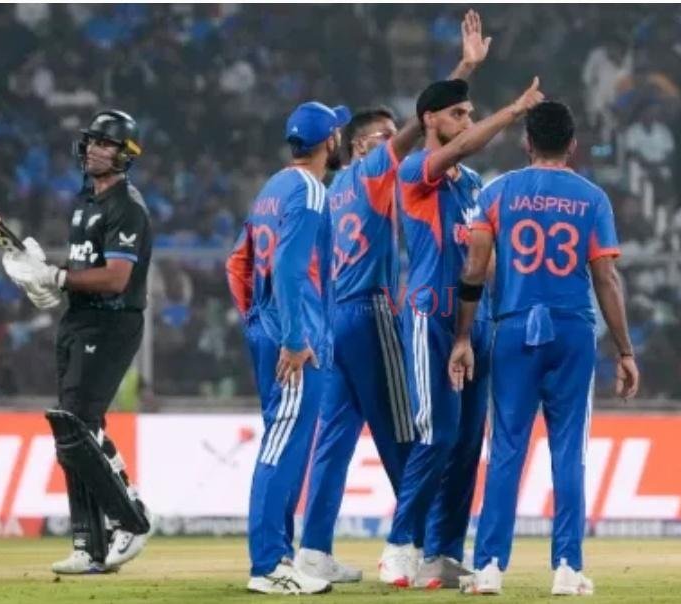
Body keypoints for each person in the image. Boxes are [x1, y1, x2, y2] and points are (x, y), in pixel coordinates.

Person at [296, 10, 492, 584]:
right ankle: (418, 546)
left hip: (334, 319)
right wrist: (464, 69)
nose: (395, 144)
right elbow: (425, 120)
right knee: (411, 433)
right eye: (384, 138)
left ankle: (313, 551)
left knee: (334, 440)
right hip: (374, 311)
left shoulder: (331, 190)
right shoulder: (375, 171)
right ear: (362, 147)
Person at [446, 101, 639, 596]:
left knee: (506, 450)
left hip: (513, 329)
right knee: (569, 452)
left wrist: (463, 336)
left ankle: (489, 568)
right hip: (572, 331)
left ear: (527, 141)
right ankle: (568, 570)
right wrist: (624, 351)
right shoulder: (593, 198)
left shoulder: (497, 192)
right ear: (572, 145)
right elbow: (606, 278)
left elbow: (474, 269)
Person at [377, 75, 545, 588]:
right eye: (458, 114)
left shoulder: (472, 185)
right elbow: (464, 147)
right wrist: (514, 110)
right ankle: (399, 545)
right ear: (430, 119)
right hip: (430, 315)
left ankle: (444, 554)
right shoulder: (414, 170)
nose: (467, 122)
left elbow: (484, 255)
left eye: (471, 113)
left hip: (477, 320)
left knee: (469, 443)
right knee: (438, 435)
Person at [2, 109, 154, 574]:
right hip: (79, 320)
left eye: (105, 143)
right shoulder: (84, 202)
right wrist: (48, 284)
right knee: (73, 431)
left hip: (112, 322)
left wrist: (57, 276)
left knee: (78, 426)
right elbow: (82, 272)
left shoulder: (127, 206)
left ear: (126, 154)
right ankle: (90, 545)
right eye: (91, 140)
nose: (93, 149)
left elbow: (116, 278)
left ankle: (131, 519)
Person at [225, 100, 342, 595]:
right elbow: (290, 269)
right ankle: (269, 564)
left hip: (271, 329)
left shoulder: (272, 188)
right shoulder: (311, 190)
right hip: (296, 339)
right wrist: (292, 338)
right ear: (330, 141)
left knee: (288, 445)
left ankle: (281, 557)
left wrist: (256, 320)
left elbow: (237, 262)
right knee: (281, 446)